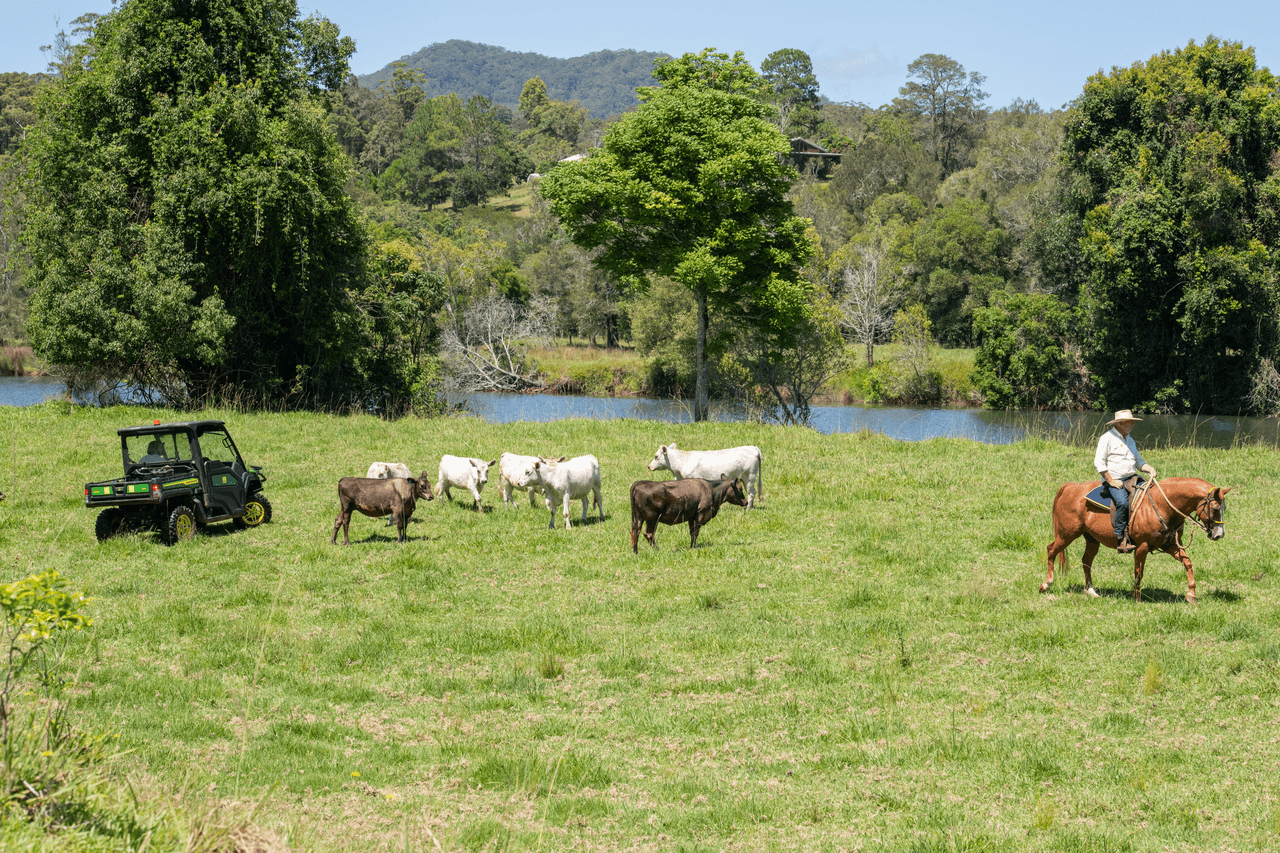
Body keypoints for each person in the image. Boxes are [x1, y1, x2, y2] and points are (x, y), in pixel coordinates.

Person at [1094, 409, 1157, 553]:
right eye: (1130, 423)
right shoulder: (1107, 438)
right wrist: (1111, 481)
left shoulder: (1129, 439)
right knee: (1122, 502)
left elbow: (1138, 461)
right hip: (1114, 480)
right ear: (1121, 424)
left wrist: (1149, 468)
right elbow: (1099, 463)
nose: (1133, 425)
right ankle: (1121, 537)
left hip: (1132, 477)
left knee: (1150, 493)